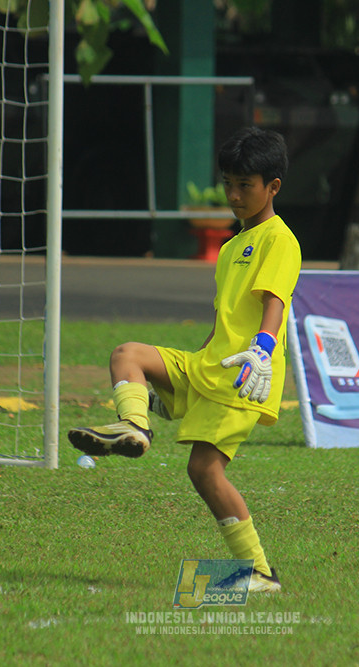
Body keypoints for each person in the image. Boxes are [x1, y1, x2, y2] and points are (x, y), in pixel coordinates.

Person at [67, 127, 301, 594]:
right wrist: (189, 373)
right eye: (228, 183)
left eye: (245, 185)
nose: (233, 195)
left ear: (273, 187)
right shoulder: (232, 246)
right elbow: (224, 319)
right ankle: (136, 426)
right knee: (127, 355)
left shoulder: (281, 240)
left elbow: (273, 303)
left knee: (204, 470)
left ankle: (258, 572)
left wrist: (263, 350)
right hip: (208, 365)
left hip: (242, 374)